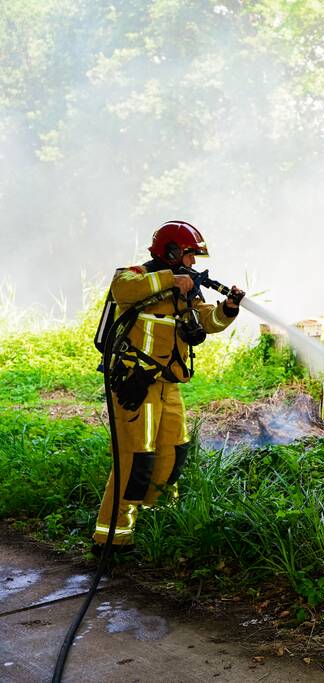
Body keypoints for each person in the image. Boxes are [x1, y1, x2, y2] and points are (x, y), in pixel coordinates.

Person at [92, 220, 244, 552]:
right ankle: (112, 536)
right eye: (190, 256)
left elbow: (205, 320)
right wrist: (171, 280)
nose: (193, 264)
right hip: (137, 385)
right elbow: (123, 289)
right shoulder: (137, 276)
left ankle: (160, 522)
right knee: (135, 459)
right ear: (171, 252)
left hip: (168, 386)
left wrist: (228, 309)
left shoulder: (187, 289)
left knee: (173, 453)